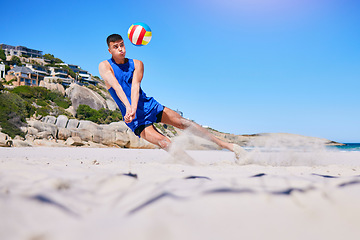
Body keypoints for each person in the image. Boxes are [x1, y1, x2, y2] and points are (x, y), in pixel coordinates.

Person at [99, 34, 247, 161]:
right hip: (134, 118)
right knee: (164, 142)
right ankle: (193, 165)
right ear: (110, 50)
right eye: (116, 47)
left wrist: (132, 107)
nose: (121, 49)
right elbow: (118, 88)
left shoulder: (137, 64)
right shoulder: (105, 66)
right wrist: (129, 109)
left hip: (148, 106)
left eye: (122, 45)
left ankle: (229, 146)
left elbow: (135, 86)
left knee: (184, 123)